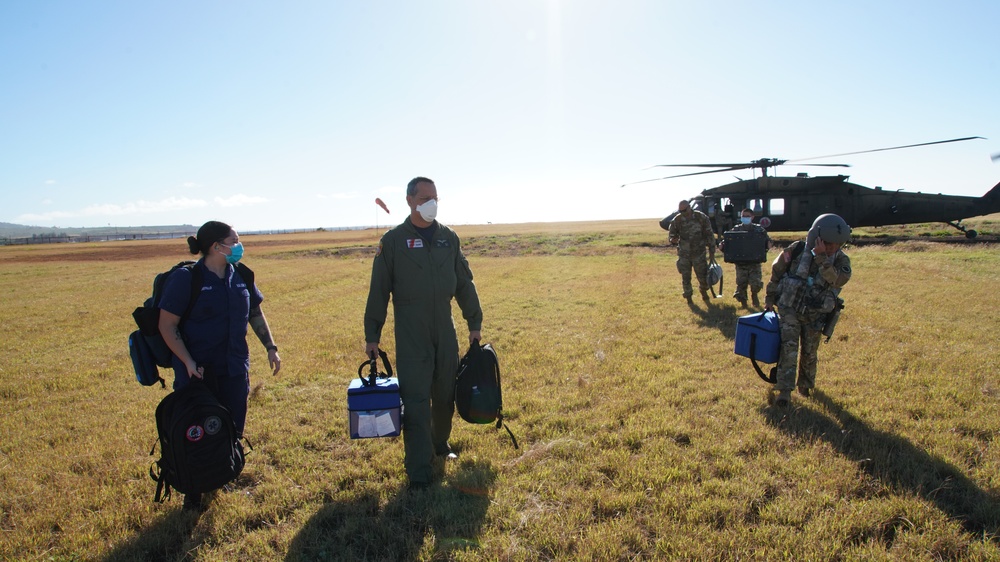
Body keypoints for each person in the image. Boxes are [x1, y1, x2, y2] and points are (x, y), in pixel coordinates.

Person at [364, 177, 484, 489]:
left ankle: (440, 446)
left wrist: (474, 323)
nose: (432, 202)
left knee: (444, 396)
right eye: (426, 197)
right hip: (411, 334)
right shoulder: (393, 242)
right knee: (416, 401)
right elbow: (379, 291)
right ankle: (418, 469)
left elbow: (464, 283)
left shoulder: (448, 237)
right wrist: (372, 335)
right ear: (410, 200)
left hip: (445, 330)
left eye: (436, 197)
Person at [158, 220, 282, 510]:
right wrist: (188, 362)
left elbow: (255, 313)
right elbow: (167, 325)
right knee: (197, 428)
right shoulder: (187, 279)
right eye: (234, 241)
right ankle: (194, 489)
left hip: (235, 368)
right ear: (216, 246)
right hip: (197, 372)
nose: (239, 246)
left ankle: (222, 473)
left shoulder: (241, 275)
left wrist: (271, 348)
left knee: (231, 426)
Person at [764, 214, 851, 408]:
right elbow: (777, 273)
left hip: (816, 314)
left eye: (836, 244)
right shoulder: (796, 250)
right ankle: (784, 392)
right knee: (789, 348)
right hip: (790, 308)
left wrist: (822, 258)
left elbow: (838, 280)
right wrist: (770, 299)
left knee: (810, 353)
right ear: (816, 238)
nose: (832, 248)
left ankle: (805, 386)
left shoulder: (841, 260)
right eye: (827, 243)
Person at [667, 199, 716, 303]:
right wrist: (673, 239)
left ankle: (704, 291)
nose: (683, 213)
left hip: (699, 253)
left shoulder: (701, 217)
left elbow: (709, 234)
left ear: (689, 207)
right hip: (684, 253)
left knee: (702, 276)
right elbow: (672, 234)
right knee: (686, 277)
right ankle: (688, 297)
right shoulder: (677, 219)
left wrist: (712, 250)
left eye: (684, 210)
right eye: (681, 211)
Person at [721, 208, 772, 307]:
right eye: (743, 216)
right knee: (741, 283)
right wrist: (722, 246)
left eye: (747, 216)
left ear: (752, 217)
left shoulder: (759, 230)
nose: (745, 218)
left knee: (755, 283)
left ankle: (754, 296)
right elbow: (727, 242)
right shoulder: (736, 229)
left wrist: (768, 244)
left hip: (754, 262)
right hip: (741, 263)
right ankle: (743, 302)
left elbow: (767, 241)